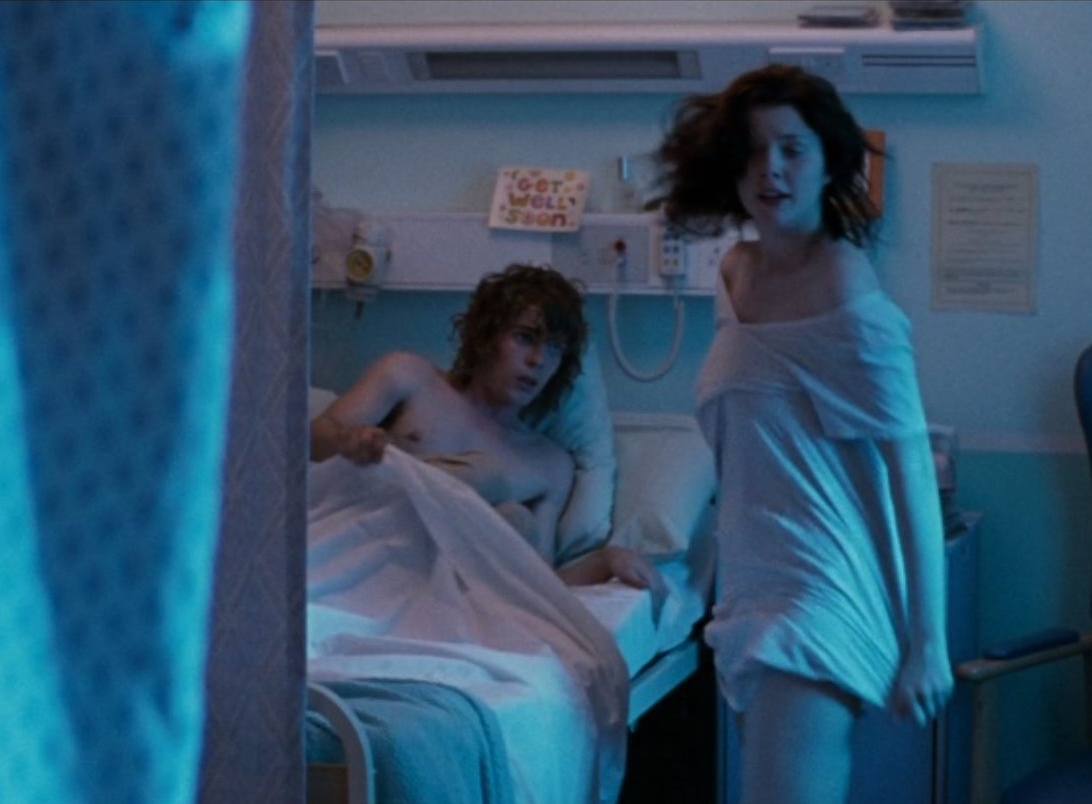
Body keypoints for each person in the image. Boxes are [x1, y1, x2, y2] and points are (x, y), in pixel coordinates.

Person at [652, 64, 952, 802]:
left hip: (819, 590)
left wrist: (928, 643)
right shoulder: (734, 273)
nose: (771, 170)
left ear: (827, 162)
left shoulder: (844, 283)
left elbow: (910, 467)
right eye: (754, 151)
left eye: (791, 149)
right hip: (751, 587)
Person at [310, 263, 659, 590]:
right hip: (361, 562)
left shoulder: (550, 466)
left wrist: (604, 562)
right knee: (486, 482)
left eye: (554, 348)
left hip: (446, 592)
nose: (538, 360)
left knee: (514, 519)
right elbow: (312, 438)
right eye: (525, 337)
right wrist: (347, 442)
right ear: (485, 335)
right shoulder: (408, 376)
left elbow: (538, 585)